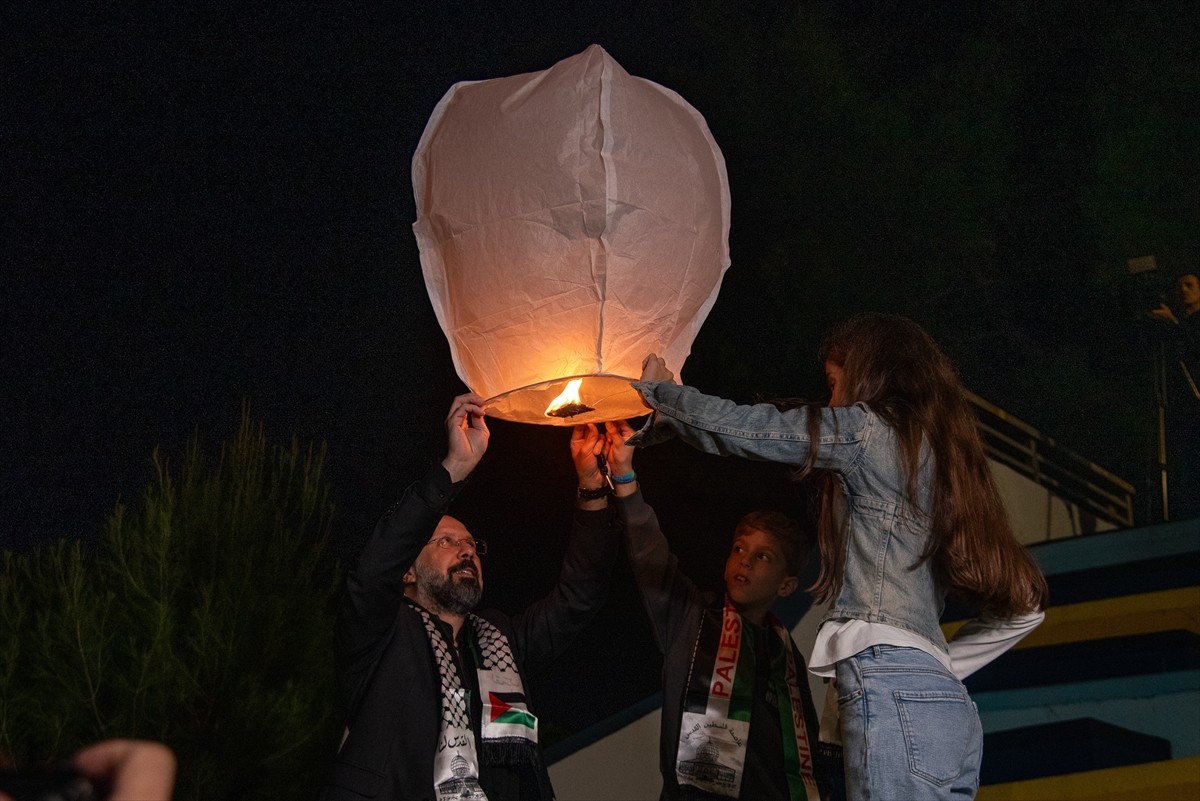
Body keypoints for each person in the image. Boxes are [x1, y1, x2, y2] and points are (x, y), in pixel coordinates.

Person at [628, 312, 1049, 801]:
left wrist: (664, 395)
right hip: (949, 712)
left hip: (896, 693)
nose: (831, 402)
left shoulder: (872, 430)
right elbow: (1027, 607)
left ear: (867, 372)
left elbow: (754, 430)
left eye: (833, 385)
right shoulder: (945, 459)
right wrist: (936, 669)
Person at [319, 394, 622, 801]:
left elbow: (581, 594)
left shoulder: (502, 640)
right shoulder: (380, 635)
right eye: (445, 541)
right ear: (407, 571)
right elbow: (372, 573)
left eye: (470, 544)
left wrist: (590, 486)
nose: (465, 550)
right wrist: (456, 467)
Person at [607, 413, 825, 801]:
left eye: (763, 557)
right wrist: (624, 476)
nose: (744, 560)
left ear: (788, 584)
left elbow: (802, 765)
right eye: (739, 549)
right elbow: (648, 554)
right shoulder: (692, 619)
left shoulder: (787, 657)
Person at [1150, 272, 1200, 518]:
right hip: (1184, 409)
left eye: (1190, 285)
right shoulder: (1178, 324)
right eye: (1180, 286)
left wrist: (1174, 326)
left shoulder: (1189, 324)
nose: (1184, 290)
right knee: (1187, 469)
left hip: (1196, 399)